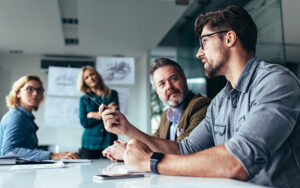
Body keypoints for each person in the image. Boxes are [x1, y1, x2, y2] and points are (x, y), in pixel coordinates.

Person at [99, 5, 300, 187]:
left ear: (229, 38)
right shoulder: (220, 101)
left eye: (204, 42)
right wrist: (126, 128)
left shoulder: (276, 82)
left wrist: (150, 162)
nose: (199, 53)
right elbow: (184, 149)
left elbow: (237, 161)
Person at [102, 58, 210, 161]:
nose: (169, 86)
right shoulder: (166, 115)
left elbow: (185, 152)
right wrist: (127, 144)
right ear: (157, 91)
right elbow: (152, 145)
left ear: (184, 79)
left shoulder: (201, 105)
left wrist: (126, 150)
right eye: (162, 84)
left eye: (173, 79)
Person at [0, 74, 79, 161]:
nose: (35, 94)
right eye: (30, 89)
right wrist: (51, 156)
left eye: (39, 90)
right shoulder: (17, 116)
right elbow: (8, 151)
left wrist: (58, 155)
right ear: (18, 93)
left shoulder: (25, 117)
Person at [77, 66, 119, 159]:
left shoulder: (112, 94)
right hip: (90, 143)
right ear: (84, 82)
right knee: (87, 172)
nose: (91, 78)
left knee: (111, 170)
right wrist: (104, 114)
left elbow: (114, 117)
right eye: (86, 77)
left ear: (97, 75)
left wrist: (92, 114)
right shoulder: (84, 99)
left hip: (109, 140)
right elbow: (84, 122)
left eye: (92, 74)